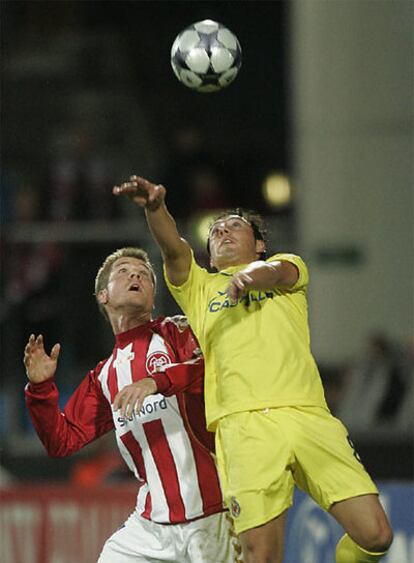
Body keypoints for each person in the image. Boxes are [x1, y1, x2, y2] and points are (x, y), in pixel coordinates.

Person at [113, 176, 394, 563]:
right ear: (209, 256)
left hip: (308, 416)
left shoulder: (287, 271)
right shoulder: (199, 289)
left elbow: (277, 272)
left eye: (234, 226)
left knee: (375, 535)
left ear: (260, 245)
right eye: (215, 231)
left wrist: (249, 277)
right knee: (260, 557)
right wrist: (155, 208)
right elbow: (175, 250)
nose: (223, 231)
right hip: (243, 428)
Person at [24, 246, 242, 563]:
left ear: (153, 298)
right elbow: (61, 440)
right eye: (124, 271)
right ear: (103, 296)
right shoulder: (104, 376)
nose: (136, 274)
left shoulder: (177, 332)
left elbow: (212, 367)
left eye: (144, 274)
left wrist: (156, 381)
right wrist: (41, 388)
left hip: (212, 511)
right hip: (152, 526)